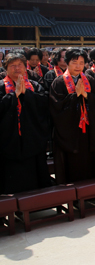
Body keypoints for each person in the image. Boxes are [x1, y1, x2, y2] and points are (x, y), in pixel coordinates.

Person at [49, 48, 95, 184]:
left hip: (89, 131)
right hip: (71, 132)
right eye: (74, 62)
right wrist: (75, 97)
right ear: (67, 63)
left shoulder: (90, 80)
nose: (78, 66)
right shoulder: (59, 82)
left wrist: (86, 95)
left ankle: (94, 191)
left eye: (81, 62)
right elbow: (56, 107)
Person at [0, 52, 51, 194]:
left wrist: (26, 94)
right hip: (10, 140)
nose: (17, 68)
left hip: (32, 137)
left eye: (20, 65)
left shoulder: (35, 85)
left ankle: (38, 201)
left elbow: (44, 105)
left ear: (25, 67)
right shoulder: (1, 86)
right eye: (12, 66)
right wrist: (13, 95)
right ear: (6, 68)